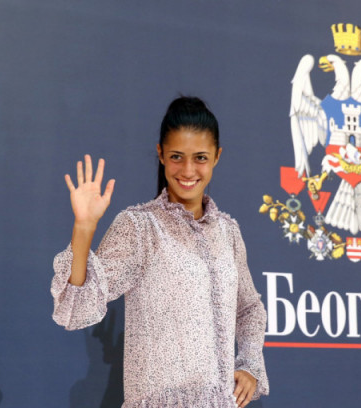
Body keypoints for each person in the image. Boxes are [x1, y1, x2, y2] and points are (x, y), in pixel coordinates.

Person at [51, 96, 269, 407]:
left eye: (201, 158)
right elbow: (76, 307)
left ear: (217, 157)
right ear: (161, 154)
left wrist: (250, 364)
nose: (188, 170)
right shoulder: (140, 227)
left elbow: (249, 308)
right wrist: (84, 227)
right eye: (177, 156)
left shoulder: (228, 232)